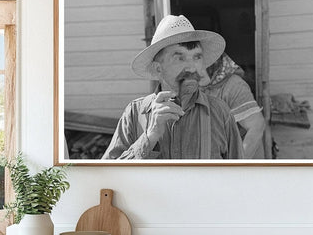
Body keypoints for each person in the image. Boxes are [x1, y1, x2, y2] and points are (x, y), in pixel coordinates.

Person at [102, 15, 243, 160]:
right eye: (179, 57)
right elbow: (108, 176)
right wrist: (150, 137)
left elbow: (240, 176)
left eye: (197, 57)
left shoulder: (220, 113)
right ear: (158, 68)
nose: (192, 67)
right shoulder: (135, 113)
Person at [200, 53, 266, 158]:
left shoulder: (233, 86)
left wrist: (237, 165)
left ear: (214, 64)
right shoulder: (194, 86)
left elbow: (257, 126)